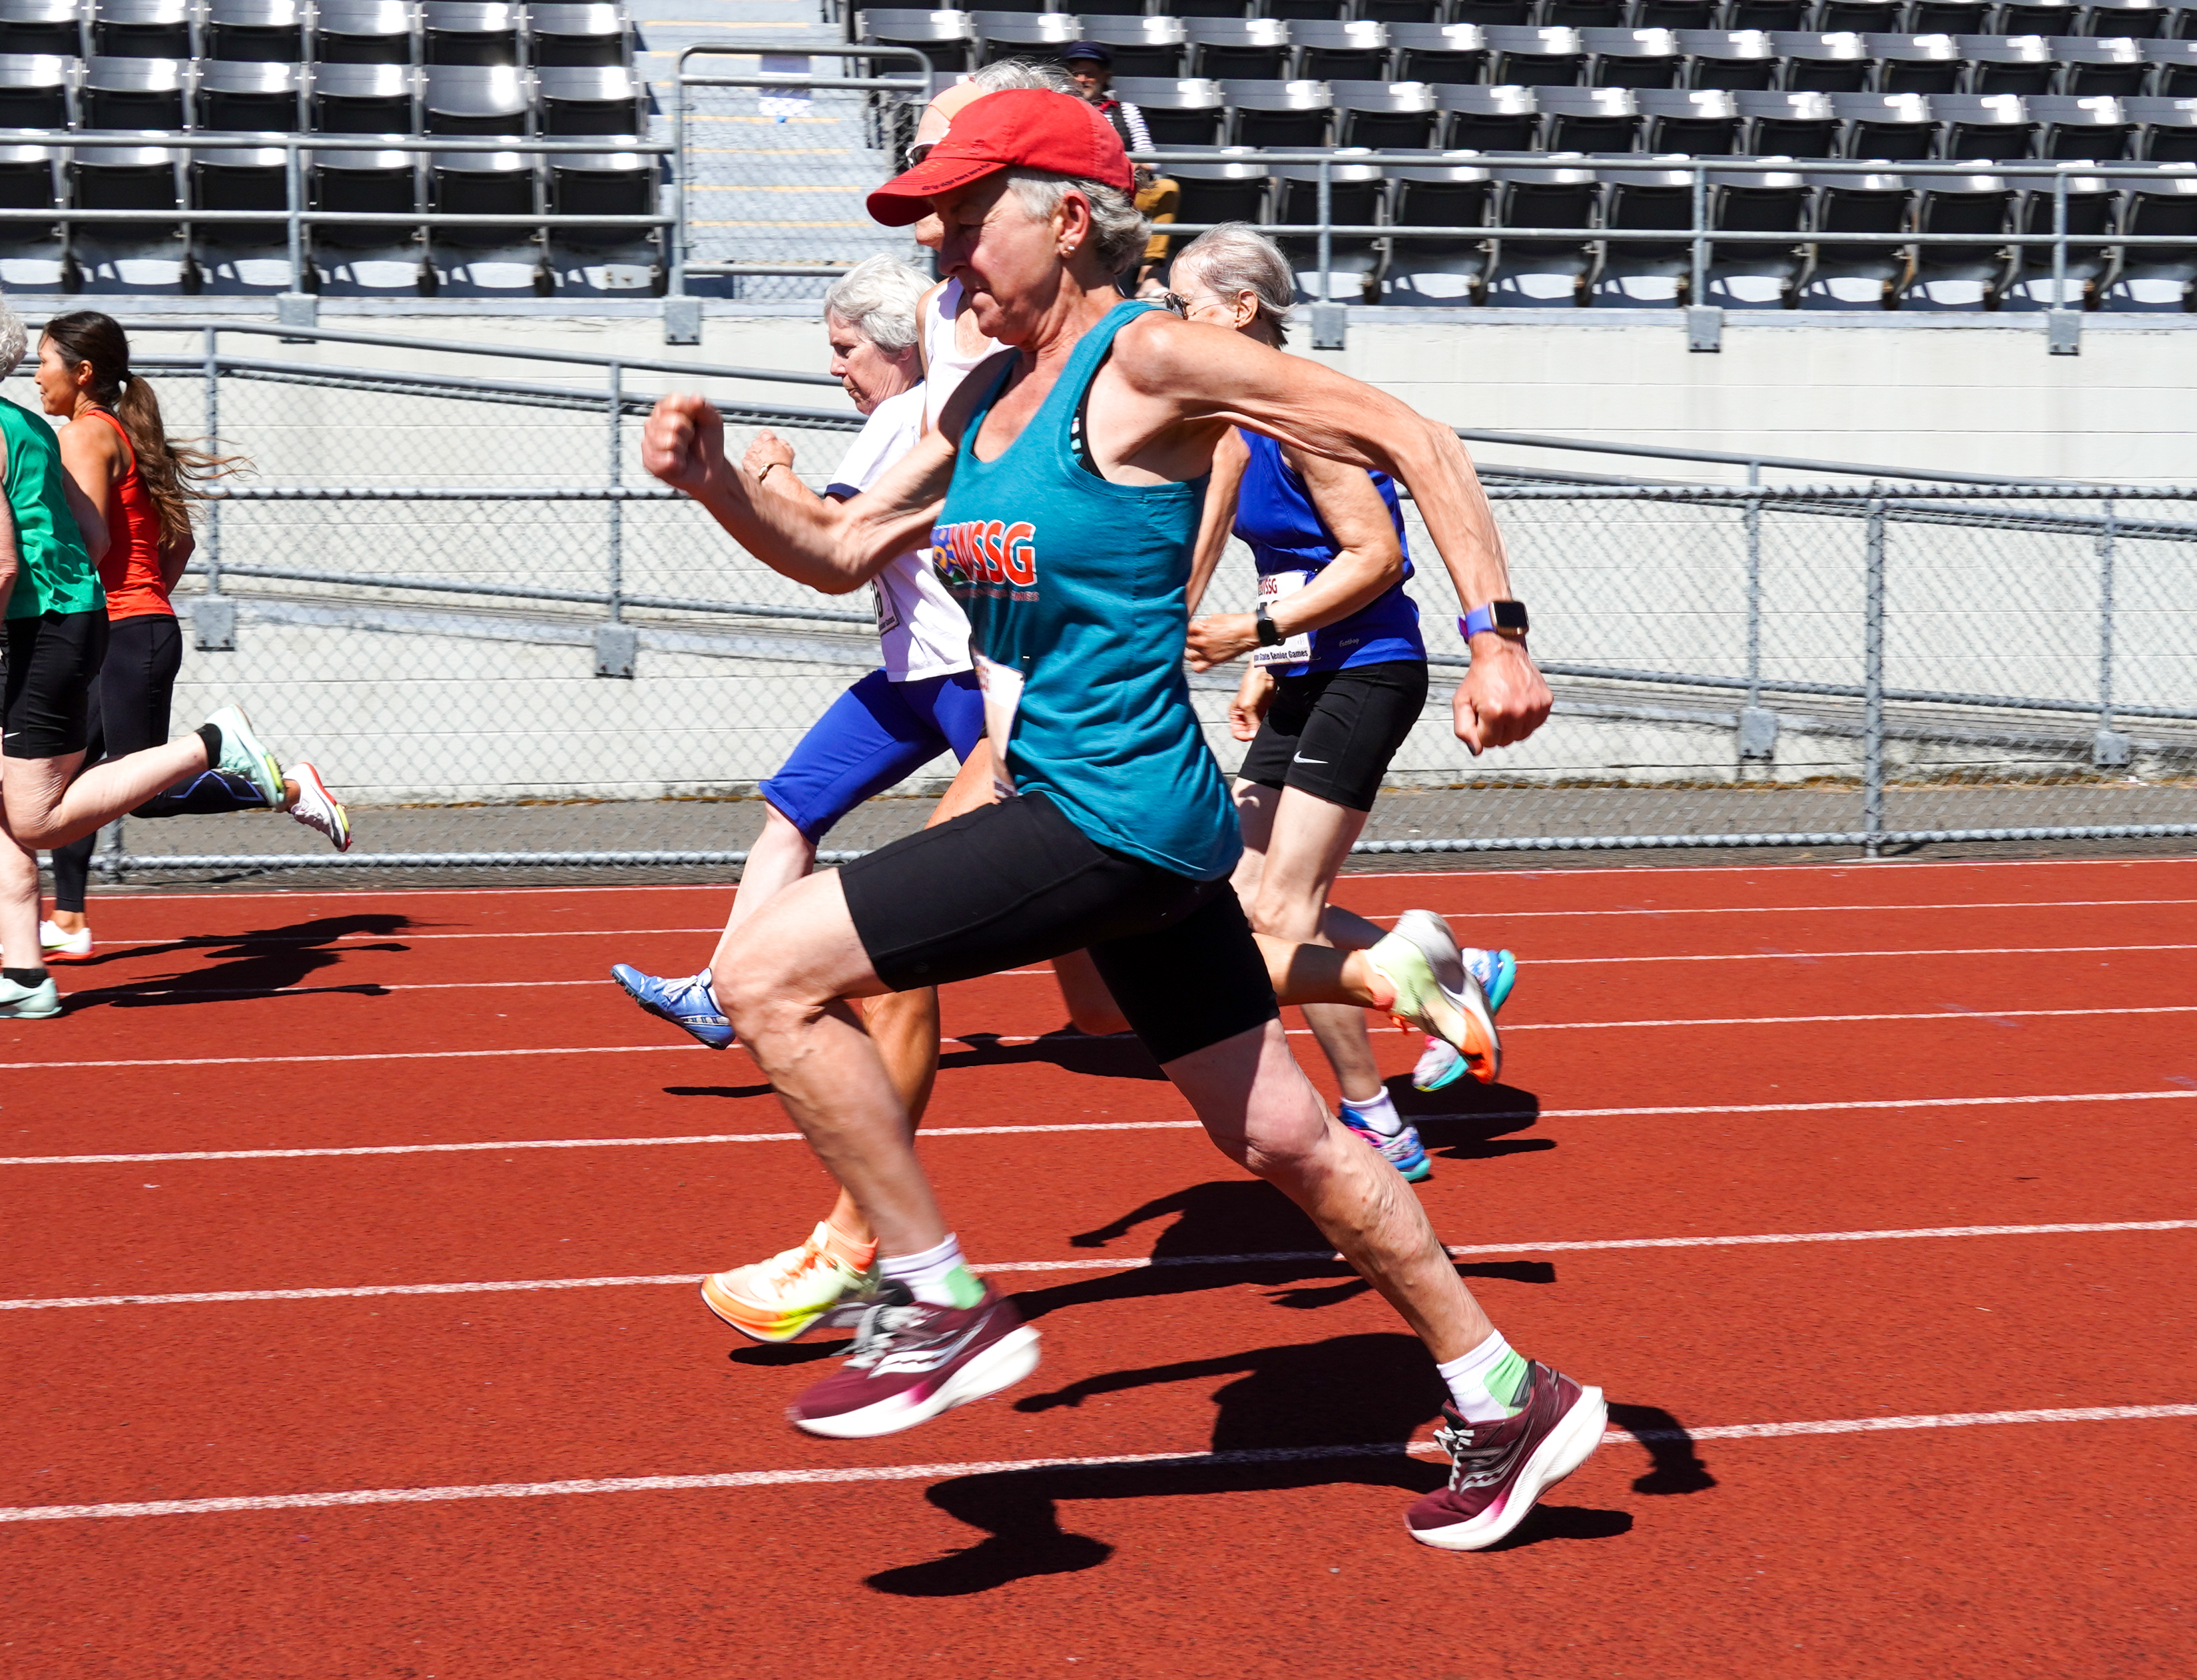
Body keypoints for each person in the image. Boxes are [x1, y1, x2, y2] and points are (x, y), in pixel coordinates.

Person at [641, 90, 1598, 1551]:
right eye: (937, 230)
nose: (947, 260)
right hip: (1125, 820)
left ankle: (936, 1297)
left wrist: (1497, 634)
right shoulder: (976, 403)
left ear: (1066, 218)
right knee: (1282, 1133)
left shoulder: (1145, 355)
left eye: (968, 224)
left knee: (770, 969)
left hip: (1109, 811)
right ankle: (1499, 1385)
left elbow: (1409, 435)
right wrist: (715, 484)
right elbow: (836, 551)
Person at [608, 254, 989, 1338]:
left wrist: (755, 471)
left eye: (842, 349)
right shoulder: (949, 405)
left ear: (905, 341)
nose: (833, 370)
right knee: (794, 811)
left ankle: (892, 1266)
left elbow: (827, 542)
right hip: (916, 675)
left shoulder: (921, 410)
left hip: (975, 685)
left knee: (1115, 969)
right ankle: (727, 991)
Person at [1167, 225, 1519, 1175]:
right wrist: (1265, 660)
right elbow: (1292, 568)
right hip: (1306, 666)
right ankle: (1449, 962)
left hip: (1369, 668)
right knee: (1238, 891)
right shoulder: (1229, 425)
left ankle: (1371, 1112)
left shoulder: (1298, 417)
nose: (1168, 325)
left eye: (1182, 305)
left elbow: (1378, 559)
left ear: (1240, 312)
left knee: (1283, 912)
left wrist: (1255, 635)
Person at [0, 271, 292, 1021]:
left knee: (39, 818)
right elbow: (81, 538)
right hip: (47, 621)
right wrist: (1, 591)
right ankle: (23, 976)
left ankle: (212, 745)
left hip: (51, 629)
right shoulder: (18, 423)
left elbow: (4, 558)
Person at [21, 310, 350, 966]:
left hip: (121, 634)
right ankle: (69, 918)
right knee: (70, 780)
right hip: (127, 630)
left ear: (81, 373)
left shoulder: (86, 436)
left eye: (43, 362)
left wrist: (33, 596)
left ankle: (285, 785)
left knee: (144, 794)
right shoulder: (112, 432)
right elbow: (181, 540)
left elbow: (88, 545)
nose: (34, 377)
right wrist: (145, 603)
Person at [1060, 41, 1180, 292]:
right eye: (1076, 73)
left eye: (1090, 74)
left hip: (1126, 190)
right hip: (1081, 192)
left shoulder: (1126, 112)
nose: (1082, 79)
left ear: (1105, 77)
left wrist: (1123, 164)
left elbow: (1151, 159)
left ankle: (1148, 277)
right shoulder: (1060, 110)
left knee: (1167, 188)